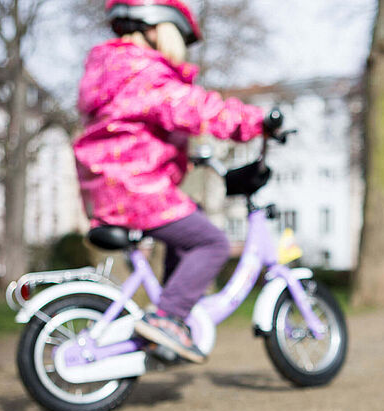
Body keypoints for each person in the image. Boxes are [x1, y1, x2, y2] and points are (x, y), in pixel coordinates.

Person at [74, 0, 271, 363]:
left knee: (189, 221)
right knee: (212, 242)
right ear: (155, 28)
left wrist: (179, 157)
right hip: (134, 187)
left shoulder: (112, 71)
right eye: (177, 34)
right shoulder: (141, 70)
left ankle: (168, 309)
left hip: (113, 186)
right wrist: (257, 121)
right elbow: (198, 108)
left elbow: (128, 131)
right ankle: (166, 317)